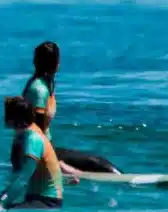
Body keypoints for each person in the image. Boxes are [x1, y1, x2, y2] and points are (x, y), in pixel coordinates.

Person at [19, 40, 121, 175]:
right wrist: (55, 164)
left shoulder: (45, 85)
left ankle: (119, 176)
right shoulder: (39, 90)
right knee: (98, 165)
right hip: (35, 152)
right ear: (57, 65)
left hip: (45, 148)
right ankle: (120, 178)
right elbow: (36, 134)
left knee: (98, 161)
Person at [0, 95, 64, 211]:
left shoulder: (33, 139)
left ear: (13, 118)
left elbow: (23, 179)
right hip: (37, 199)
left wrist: (1, 204)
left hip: (47, 202)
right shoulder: (27, 134)